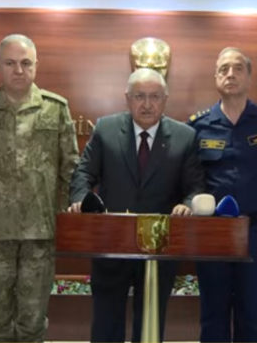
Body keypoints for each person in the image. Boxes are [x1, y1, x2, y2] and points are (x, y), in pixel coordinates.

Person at [0, 34, 79, 342]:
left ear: (36, 65)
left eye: (25, 63)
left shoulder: (55, 108)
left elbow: (71, 171)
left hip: (40, 234)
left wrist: (65, 223)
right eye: (10, 63)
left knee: (33, 321)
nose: (18, 70)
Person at [68, 68, 205, 343]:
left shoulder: (185, 137)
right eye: (139, 96)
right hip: (111, 242)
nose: (147, 104)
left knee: (150, 325)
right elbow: (83, 174)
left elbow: (196, 188)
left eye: (154, 97)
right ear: (127, 98)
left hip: (159, 246)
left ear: (165, 100)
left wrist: (188, 205)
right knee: (106, 323)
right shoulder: (106, 129)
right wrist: (81, 199)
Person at [187, 47, 257, 342]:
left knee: (250, 314)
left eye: (237, 68)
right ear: (215, 77)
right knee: (213, 315)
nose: (230, 74)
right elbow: (190, 181)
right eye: (223, 69)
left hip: (256, 229)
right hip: (212, 232)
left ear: (249, 77)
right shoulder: (198, 126)